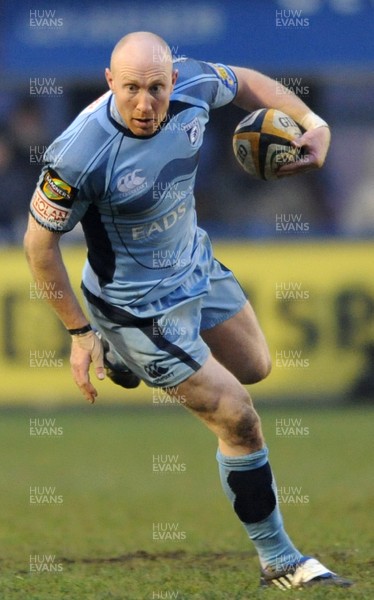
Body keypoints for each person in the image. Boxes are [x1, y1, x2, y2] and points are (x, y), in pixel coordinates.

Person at [24, 31, 351, 590]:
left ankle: (124, 362)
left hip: (194, 263)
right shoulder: (78, 154)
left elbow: (247, 82)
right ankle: (280, 559)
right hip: (136, 307)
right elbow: (38, 246)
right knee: (238, 416)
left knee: (255, 366)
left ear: (173, 79)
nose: (145, 104)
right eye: (131, 89)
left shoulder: (195, 82)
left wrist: (314, 124)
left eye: (156, 87)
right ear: (109, 83)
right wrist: (79, 332)